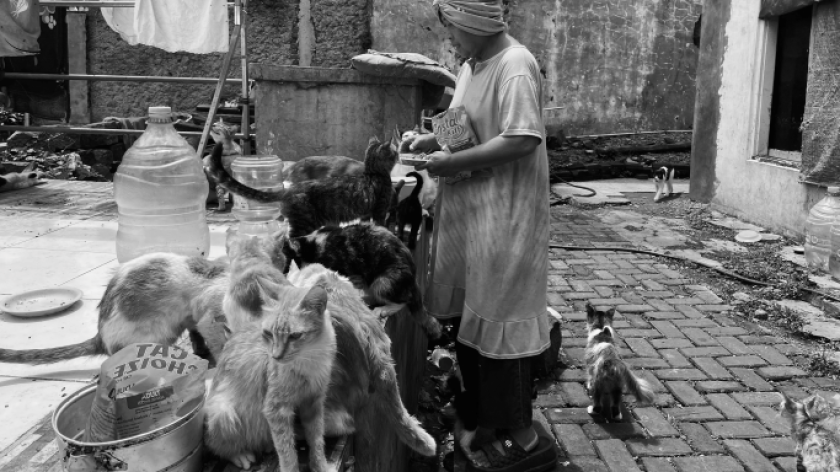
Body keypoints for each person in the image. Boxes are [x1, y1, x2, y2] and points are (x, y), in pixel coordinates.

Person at [406, 1, 556, 471]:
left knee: (500, 322)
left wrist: (450, 163)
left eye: (452, 28)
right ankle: (483, 417)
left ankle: (525, 438)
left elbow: (521, 137)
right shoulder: (473, 65)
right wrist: (433, 141)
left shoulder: (514, 64)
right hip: (474, 217)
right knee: (474, 320)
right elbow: (463, 123)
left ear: (473, 22)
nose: (448, 39)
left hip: (505, 220)